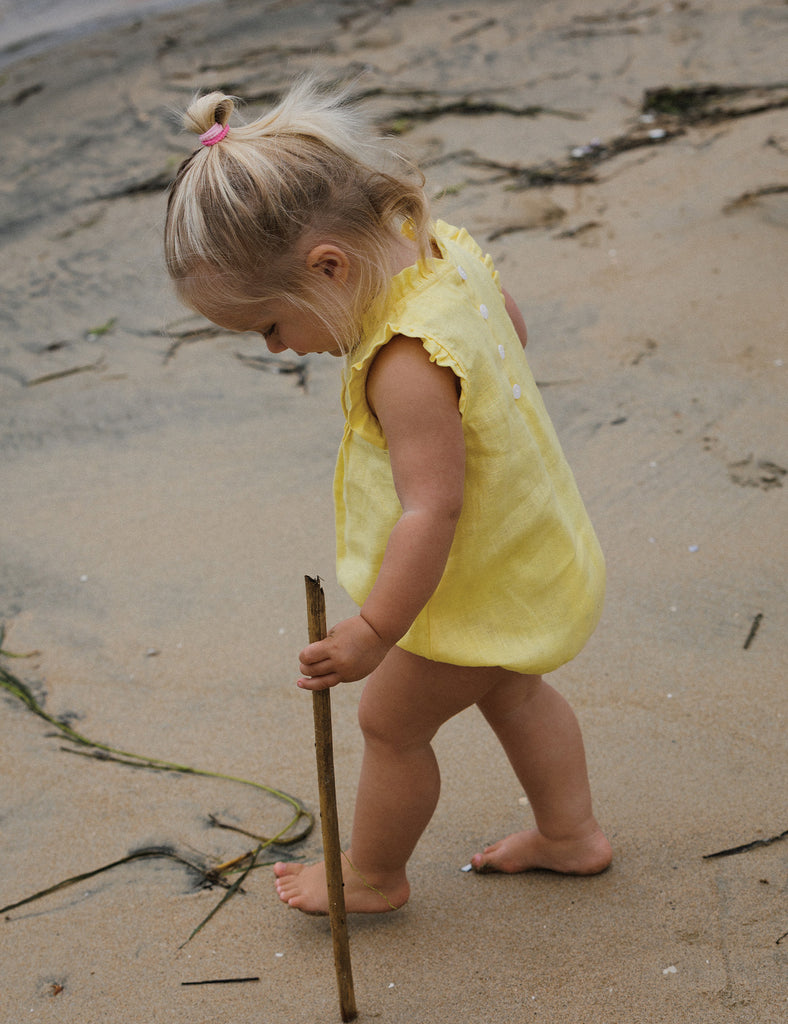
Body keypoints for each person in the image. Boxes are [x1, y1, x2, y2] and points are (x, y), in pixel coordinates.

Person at [164, 77, 612, 915]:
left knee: (390, 727)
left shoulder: (403, 360)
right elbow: (510, 329)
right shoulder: (436, 248)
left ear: (327, 267)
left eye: (269, 325)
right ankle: (571, 834)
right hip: (527, 544)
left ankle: (372, 877)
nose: (274, 348)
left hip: (465, 582)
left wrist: (373, 632)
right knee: (514, 693)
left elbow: (430, 507)